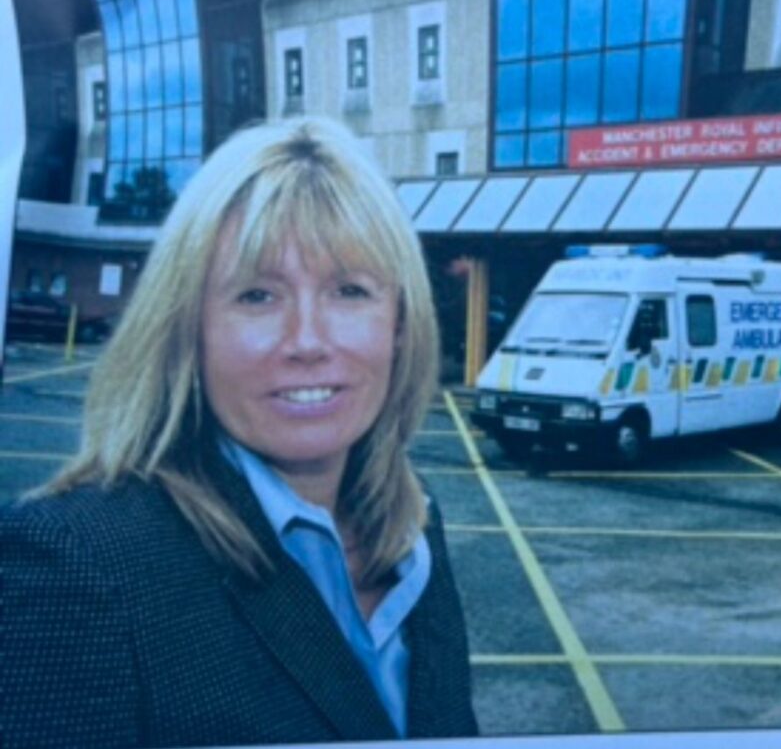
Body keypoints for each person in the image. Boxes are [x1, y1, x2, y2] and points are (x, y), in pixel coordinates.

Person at [0, 117, 478, 747]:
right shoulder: (77, 563)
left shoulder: (415, 527)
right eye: (257, 295)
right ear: (188, 331)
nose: (308, 341)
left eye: (349, 291)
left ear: (399, 324)